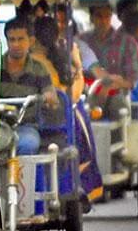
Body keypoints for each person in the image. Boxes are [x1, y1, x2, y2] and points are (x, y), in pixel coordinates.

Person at [32, 17, 103, 205]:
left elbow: (70, 93)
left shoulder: (58, 56)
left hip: (54, 117)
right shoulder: (26, 60)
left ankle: (74, 183)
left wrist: (76, 63)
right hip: (37, 117)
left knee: (78, 119)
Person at [0, 18, 58, 156]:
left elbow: (51, 96)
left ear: (30, 41)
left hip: (26, 126)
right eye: (11, 39)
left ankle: (23, 177)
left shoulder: (39, 69)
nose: (16, 44)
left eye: (20, 39)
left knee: (28, 143)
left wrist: (48, 97)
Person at [81, 3, 138, 118]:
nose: (103, 20)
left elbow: (131, 80)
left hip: (116, 94)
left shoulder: (127, 43)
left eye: (107, 16)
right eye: (99, 16)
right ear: (91, 18)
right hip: (86, 92)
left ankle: (119, 135)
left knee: (120, 110)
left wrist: (109, 86)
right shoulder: (82, 41)